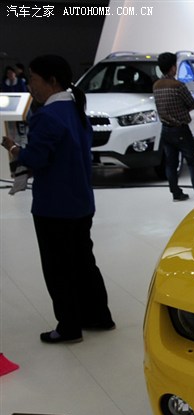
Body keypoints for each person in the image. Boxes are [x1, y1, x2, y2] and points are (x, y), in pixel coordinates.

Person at [1, 54, 114, 344]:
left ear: (51, 81)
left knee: (58, 268)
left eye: (33, 78)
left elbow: (36, 158)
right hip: (80, 201)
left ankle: (68, 327)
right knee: (84, 262)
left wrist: (14, 149)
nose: (30, 85)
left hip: (54, 206)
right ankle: (98, 316)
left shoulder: (47, 116)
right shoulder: (76, 110)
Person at [153, 52, 194, 202]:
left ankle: (176, 193)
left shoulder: (156, 85)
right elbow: (191, 103)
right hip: (181, 129)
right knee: (193, 161)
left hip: (165, 129)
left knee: (171, 163)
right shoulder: (178, 86)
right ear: (173, 67)